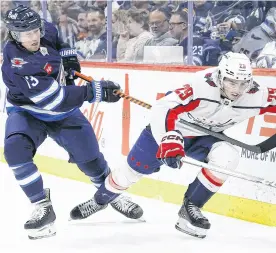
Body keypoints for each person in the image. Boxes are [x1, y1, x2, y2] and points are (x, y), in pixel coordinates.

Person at [70, 52, 276, 239]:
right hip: (171, 129)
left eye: (243, 84)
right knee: (129, 173)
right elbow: (164, 108)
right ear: (221, 76)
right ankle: (100, 200)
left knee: (228, 156)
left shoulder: (256, 94)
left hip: (206, 137)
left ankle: (191, 208)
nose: (237, 90)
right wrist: (168, 139)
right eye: (231, 82)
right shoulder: (201, 86)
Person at [1, 5, 143, 240]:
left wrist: (68, 58)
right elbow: (54, 100)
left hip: (64, 112)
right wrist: (94, 91)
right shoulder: (18, 62)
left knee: (91, 160)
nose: (34, 37)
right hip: (29, 112)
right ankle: (41, 206)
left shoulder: (44, 29)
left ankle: (110, 194)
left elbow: (59, 42)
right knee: (15, 150)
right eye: (26, 34)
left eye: (35, 30)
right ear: (15, 35)